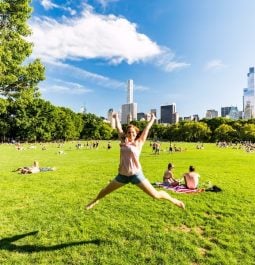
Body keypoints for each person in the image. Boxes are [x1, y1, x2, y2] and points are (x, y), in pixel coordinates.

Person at [86, 113, 185, 210]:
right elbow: (119, 128)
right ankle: (95, 200)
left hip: (136, 175)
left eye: (133, 132)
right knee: (105, 191)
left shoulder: (139, 142)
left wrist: (152, 119)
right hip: (122, 175)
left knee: (156, 195)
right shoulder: (123, 141)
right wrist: (116, 118)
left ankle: (174, 200)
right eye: (129, 132)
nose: (131, 134)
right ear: (126, 134)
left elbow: (146, 130)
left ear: (136, 133)